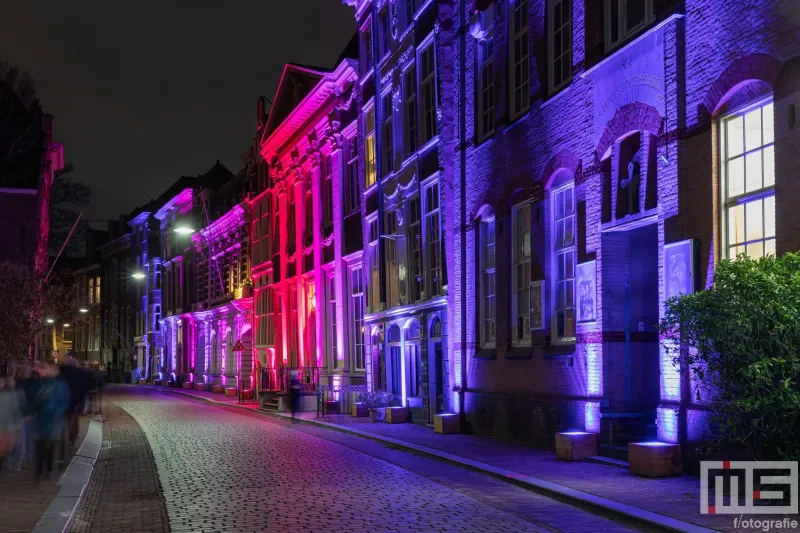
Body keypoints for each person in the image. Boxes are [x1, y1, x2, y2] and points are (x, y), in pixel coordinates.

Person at [33, 362, 70, 481]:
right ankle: (41, 470)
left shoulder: (59, 385)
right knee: (41, 446)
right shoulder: (40, 384)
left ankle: (46, 469)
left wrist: (56, 413)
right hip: (42, 420)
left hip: (52, 420)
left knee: (49, 446)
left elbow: (64, 401)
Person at [0, 376, 23, 474]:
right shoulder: (8, 395)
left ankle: (7, 465)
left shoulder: (9, 395)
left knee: (6, 448)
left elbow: (14, 410)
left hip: (6, 426)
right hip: (5, 426)